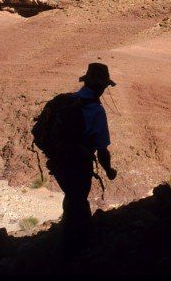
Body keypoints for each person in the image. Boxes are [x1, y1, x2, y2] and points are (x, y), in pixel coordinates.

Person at [49, 63, 118, 253]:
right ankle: (73, 249)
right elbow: (102, 149)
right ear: (100, 86)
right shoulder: (95, 110)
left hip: (58, 160)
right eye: (104, 86)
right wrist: (109, 170)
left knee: (72, 198)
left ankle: (70, 240)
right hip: (78, 163)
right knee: (78, 200)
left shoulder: (70, 101)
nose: (104, 89)